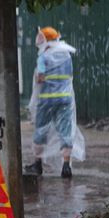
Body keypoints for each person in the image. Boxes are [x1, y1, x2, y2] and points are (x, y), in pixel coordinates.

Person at [25, 26, 80, 178]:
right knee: (66, 130)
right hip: (65, 99)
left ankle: (37, 164)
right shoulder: (66, 54)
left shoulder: (44, 56)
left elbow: (41, 77)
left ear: (44, 39)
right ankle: (66, 166)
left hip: (47, 100)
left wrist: (39, 78)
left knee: (41, 130)